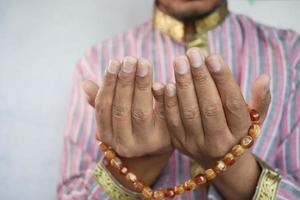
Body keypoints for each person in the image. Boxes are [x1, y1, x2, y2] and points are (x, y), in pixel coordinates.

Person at [57, 0, 300, 199]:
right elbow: (71, 195)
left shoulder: (290, 53)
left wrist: (229, 162)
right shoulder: (99, 61)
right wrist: (140, 161)